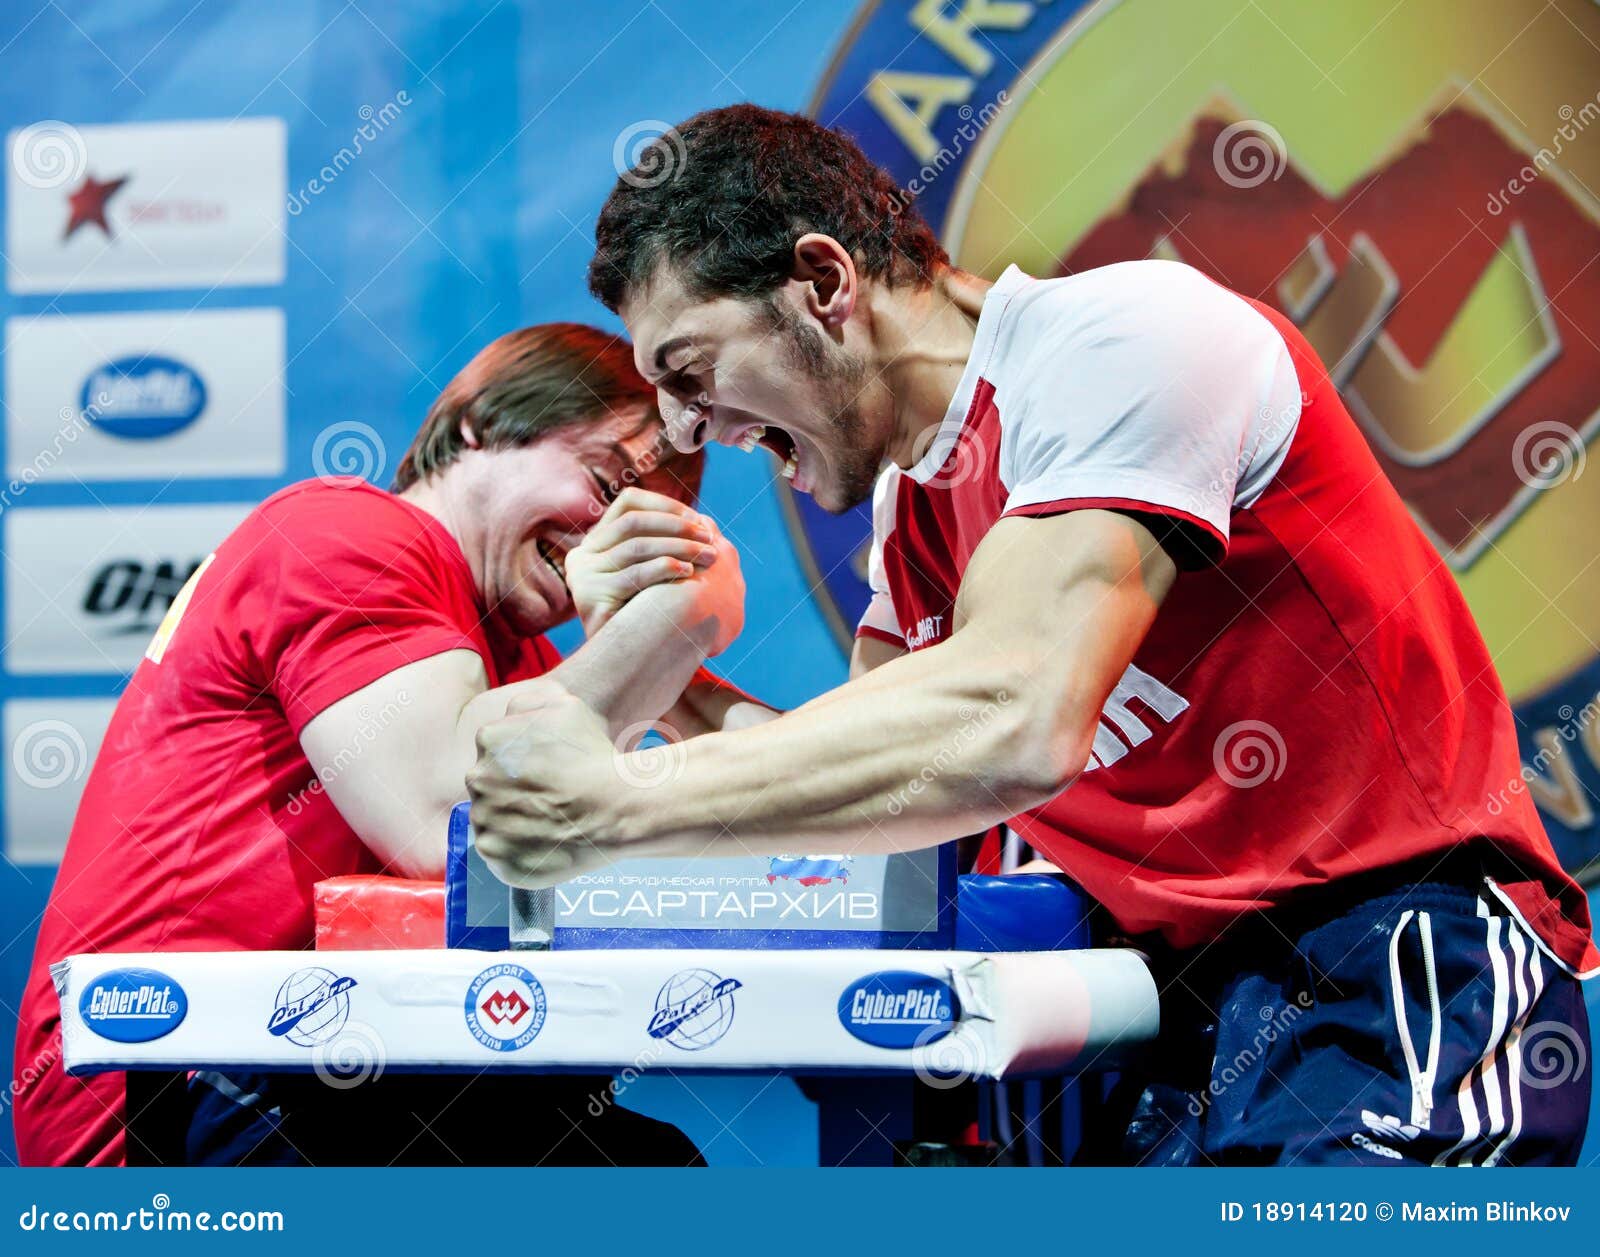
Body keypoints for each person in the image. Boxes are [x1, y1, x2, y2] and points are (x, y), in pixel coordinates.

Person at [466, 106, 1597, 1166]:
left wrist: (614, 809)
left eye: (688, 370)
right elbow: (876, 793)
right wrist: (663, 665)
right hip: (1168, 998)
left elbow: (1012, 717)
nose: (680, 428)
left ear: (821, 282)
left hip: (1391, 954)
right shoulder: (910, 514)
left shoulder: (1125, 338)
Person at [15, 322, 743, 1166]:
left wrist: (667, 647)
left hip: (315, 1057)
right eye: (605, 482)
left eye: (650, 522)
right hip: (156, 1095)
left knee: (650, 1167)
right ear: (482, 422)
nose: (608, 534)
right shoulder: (345, 535)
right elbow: (445, 820)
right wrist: (684, 620)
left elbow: (686, 801)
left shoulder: (522, 661)